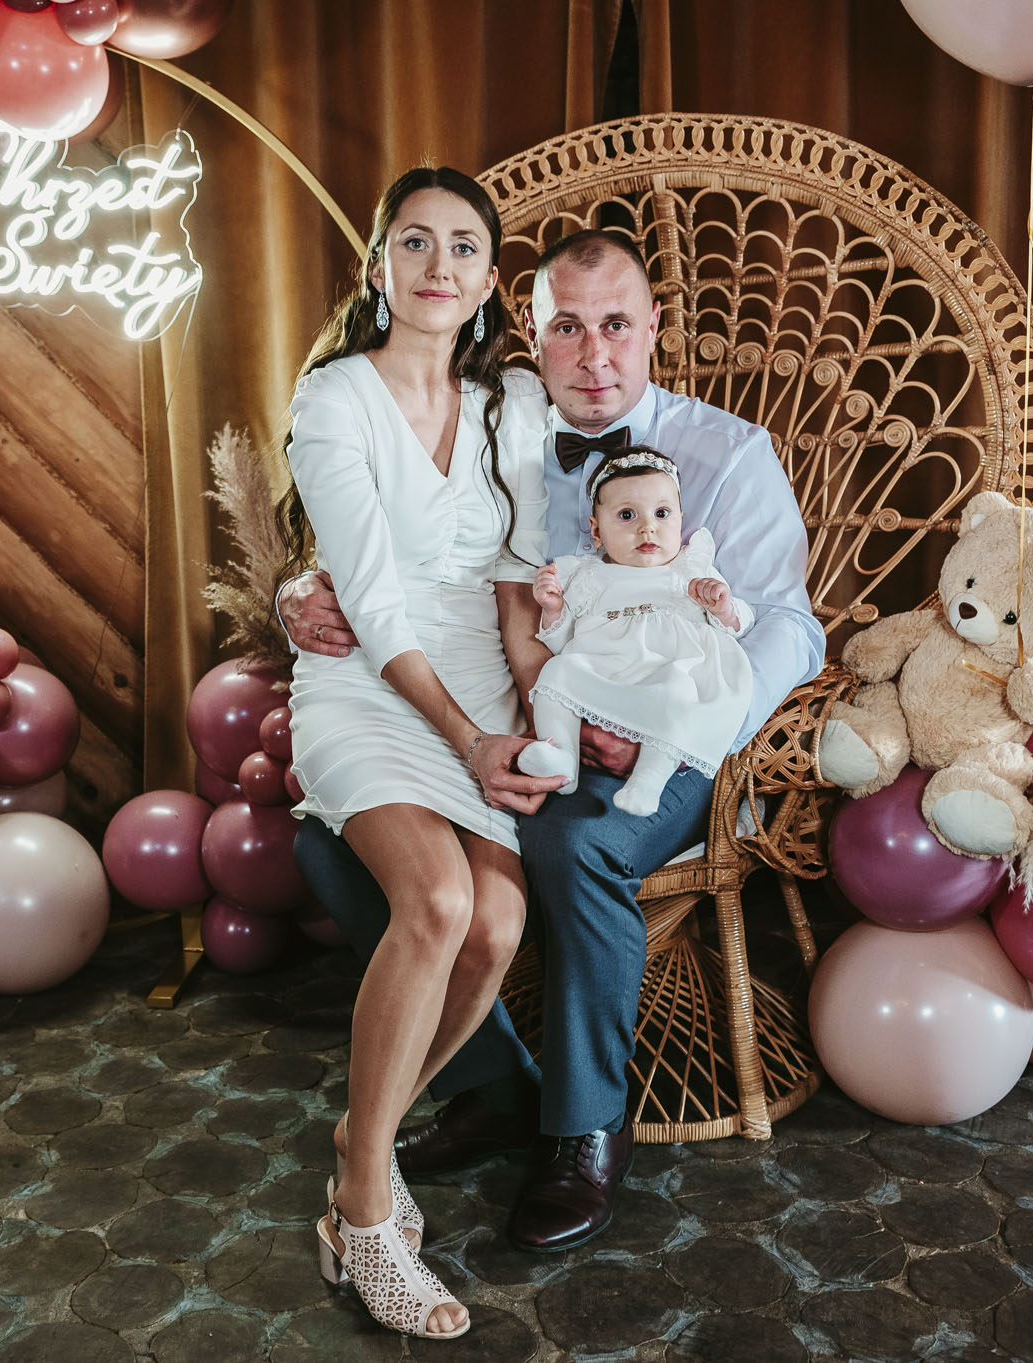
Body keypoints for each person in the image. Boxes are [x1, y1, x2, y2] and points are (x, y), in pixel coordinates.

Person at [281, 227, 825, 1253]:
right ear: (530, 337)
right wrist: (294, 594)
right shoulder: (498, 419)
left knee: (573, 839)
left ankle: (583, 1130)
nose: (594, 355)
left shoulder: (729, 453)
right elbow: (385, 543)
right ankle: (495, 1086)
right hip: (500, 717)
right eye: (566, 328)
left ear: (654, 326)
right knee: (328, 841)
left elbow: (792, 627)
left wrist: (675, 725)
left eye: (615, 324)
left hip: (668, 744)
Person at [279, 165, 563, 1339]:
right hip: (366, 681)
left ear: (489, 281)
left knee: (495, 926)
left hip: (484, 686)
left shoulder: (516, 403)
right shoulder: (332, 398)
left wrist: (534, 720)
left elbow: (517, 588)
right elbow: (368, 597)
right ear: (379, 265)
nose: (436, 265)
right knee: (438, 901)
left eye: (461, 247)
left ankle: (365, 1133)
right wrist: (466, 737)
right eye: (413, 241)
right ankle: (362, 1215)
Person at [522, 446, 756, 818]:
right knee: (557, 672)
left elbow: (740, 624)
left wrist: (722, 606)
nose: (647, 527)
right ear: (597, 531)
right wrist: (552, 610)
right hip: (607, 670)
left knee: (679, 693)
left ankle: (648, 780)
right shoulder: (588, 575)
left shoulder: (691, 569)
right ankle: (562, 758)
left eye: (661, 513)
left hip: (668, 672)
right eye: (627, 515)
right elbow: (564, 644)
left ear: (680, 519)